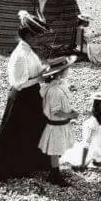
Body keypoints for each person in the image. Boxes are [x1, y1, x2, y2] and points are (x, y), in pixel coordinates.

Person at [0, 11, 52, 183]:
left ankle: (24, 166)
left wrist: (45, 72)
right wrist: (40, 77)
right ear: (29, 35)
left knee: (32, 130)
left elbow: (33, 74)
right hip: (21, 97)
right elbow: (19, 83)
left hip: (31, 96)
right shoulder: (20, 54)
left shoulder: (29, 51)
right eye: (37, 36)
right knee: (9, 133)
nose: (39, 39)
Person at [38, 56, 79, 186]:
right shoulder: (54, 91)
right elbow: (55, 111)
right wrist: (69, 115)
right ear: (60, 72)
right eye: (67, 69)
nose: (69, 70)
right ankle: (54, 175)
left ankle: (55, 168)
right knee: (55, 151)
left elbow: (64, 88)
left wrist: (70, 89)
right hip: (56, 124)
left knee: (59, 147)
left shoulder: (60, 84)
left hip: (62, 124)